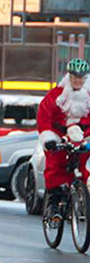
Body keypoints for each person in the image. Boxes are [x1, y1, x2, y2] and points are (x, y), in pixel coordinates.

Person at [38, 58, 90, 218]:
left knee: (81, 166)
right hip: (59, 137)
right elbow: (44, 116)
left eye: (80, 78)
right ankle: (53, 205)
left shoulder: (88, 95)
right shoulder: (56, 95)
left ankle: (80, 196)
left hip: (82, 137)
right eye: (74, 77)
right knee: (55, 166)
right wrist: (48, 138)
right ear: (69, 77)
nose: (77, 81)